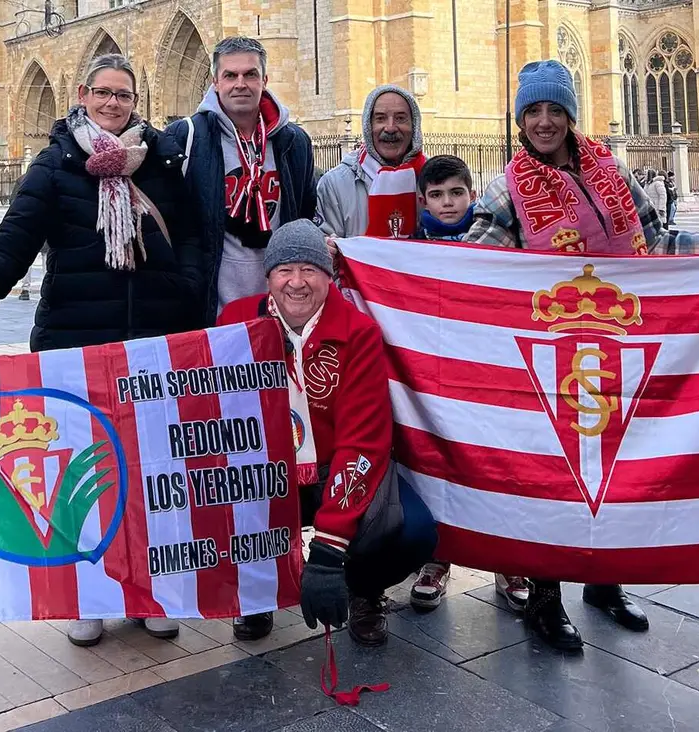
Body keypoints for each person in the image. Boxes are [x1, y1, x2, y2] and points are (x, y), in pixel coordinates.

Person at [466, 61, 699, 652]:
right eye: (533, 112)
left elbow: (656, 246)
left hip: (616, 353)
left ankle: (605, 582)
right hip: (549, 363)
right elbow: (478, 268)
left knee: (615, 474)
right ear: (520, 119)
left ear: (571, 115)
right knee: (553, 482)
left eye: (554, 110)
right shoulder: (507, 188)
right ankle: (545, 604)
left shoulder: (611, 172)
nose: (544, 122)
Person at [0, 54, 206, 646]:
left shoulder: (161, 164)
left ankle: (147, 590)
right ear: (82, 95)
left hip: (149, 346)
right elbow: (7, 252)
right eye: (102, 93)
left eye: (123, 95)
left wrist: (186, 293)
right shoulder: (55, 166)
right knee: (82, 476)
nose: (112, 104)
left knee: (149, 474)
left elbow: (197, 238)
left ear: (136, 101)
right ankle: (88, 599)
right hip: (72, 346)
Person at [218, 219, 401, 646]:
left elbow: (364, 440)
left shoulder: (359, 332)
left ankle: (364, 588)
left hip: (329, 466)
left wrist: (328, 551)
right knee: (216, 490)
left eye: (309, 270)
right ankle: (259, 591)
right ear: (268, 276)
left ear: (329, 275)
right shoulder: (237, 320)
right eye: (285, 270)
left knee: (405, 529)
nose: (296, 283)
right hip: (265, 468)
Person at [406, 155, 531, 612]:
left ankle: (505, 559)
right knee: (437, 467)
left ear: (472, 195)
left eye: (456, 193)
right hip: (434, 380)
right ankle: (437, 560)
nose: (447, 203)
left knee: (494, 467)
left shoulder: (496, 243)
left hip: (487, 376)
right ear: (422, 200)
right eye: (436, 195)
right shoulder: (406, 250)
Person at [165, 36, 315, 326]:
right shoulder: (186, 137)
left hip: (280, 300)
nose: (240, 84)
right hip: (210, 301)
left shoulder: (294, 141)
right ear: (215, 82)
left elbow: (305, 214)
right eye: (230, 75)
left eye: (250, 74)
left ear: (265, 80)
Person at [316, 85, 426, 238]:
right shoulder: (334, 184)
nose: (390, 128)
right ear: (368, 126)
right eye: (380, 118)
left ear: (414, 126)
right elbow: (323, 242)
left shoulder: (435, 179)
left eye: (401, 118)